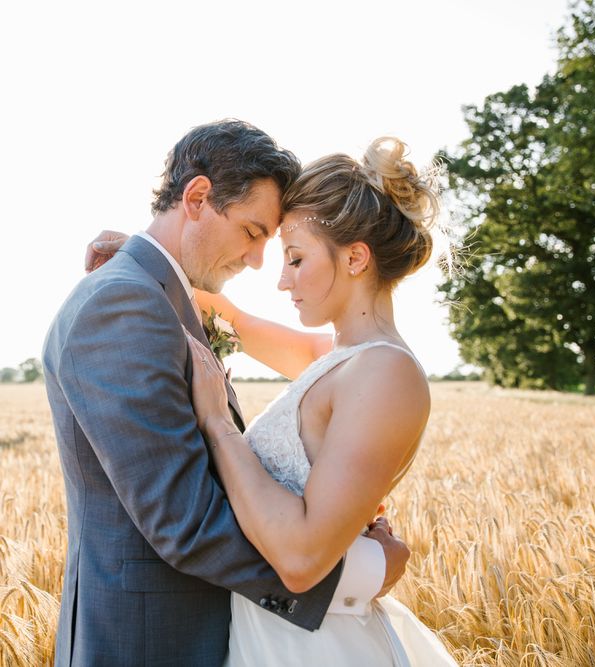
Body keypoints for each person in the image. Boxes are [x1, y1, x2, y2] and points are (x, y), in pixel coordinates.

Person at [43, 119, 410, 667]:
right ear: (197, 198)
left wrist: (160, 271)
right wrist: (360, 571)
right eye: (254, 233)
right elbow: (185, 520)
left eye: (291, 254)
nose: (265, 265)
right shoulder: (124, 304)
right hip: (149, 644)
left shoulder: (153, 299)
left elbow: (265, 333)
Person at [176, 137, 458, 665]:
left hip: (315, 647)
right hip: (277, 636)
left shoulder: (386, 375)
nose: (281, 280)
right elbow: (226, 314)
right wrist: (139, 254)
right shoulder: (337, 357)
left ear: (355, 258)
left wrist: (218, 424)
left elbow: (303, 558)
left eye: (296, 259)